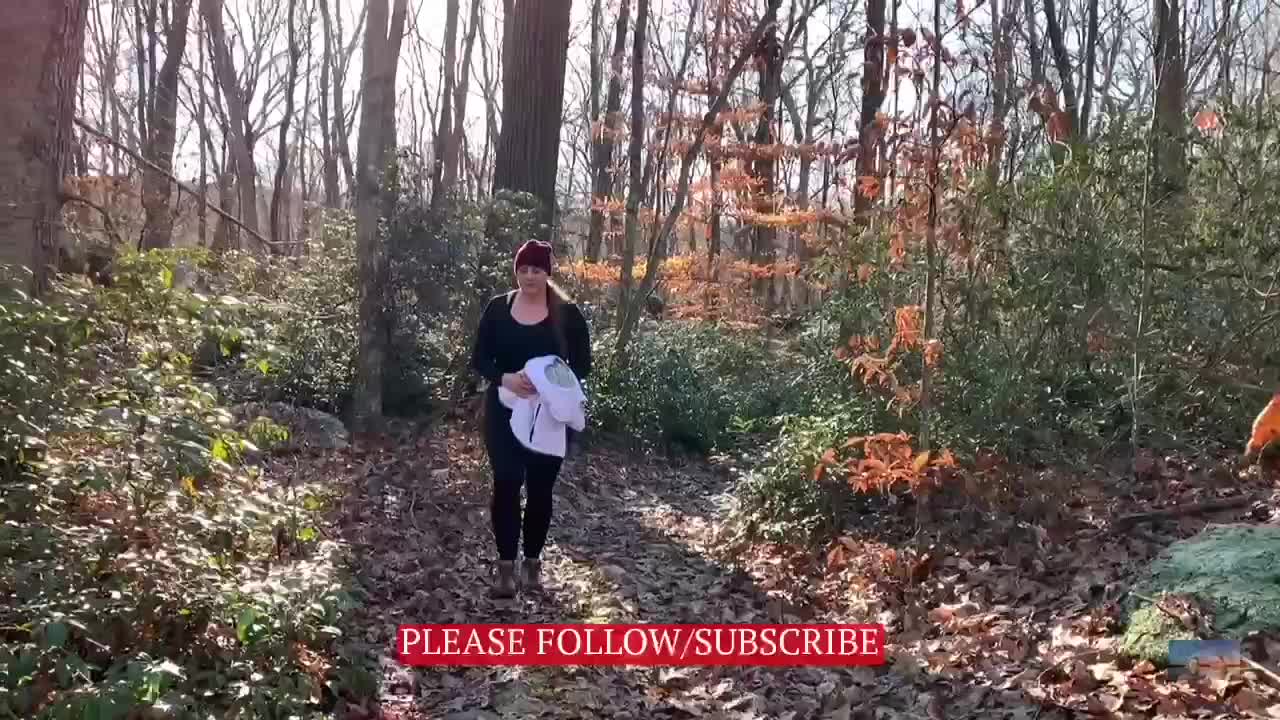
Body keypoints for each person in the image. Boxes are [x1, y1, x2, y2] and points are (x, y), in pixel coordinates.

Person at [469, 239, 592, 598]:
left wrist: (547, 382)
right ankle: (505, 570)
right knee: (506, 483)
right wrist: (504, 378)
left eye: (536, 270)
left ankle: (532, 564)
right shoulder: (497, 308)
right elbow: (480, 358)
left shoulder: (567, 315)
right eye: (523, 269)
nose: (529, 276)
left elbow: (582, 365)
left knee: (540, 489)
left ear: (548, 273)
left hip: (549, 416)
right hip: (504, 411)